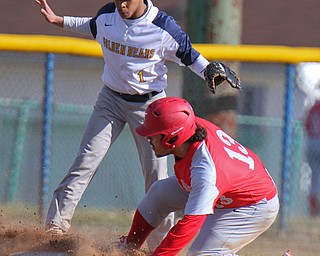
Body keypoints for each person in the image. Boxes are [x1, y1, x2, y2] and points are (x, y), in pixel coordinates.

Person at [35, 0, 241, 249]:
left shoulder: (162, 26)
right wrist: (57, 20)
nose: (121, 3)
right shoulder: (108, 15)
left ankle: (157, 245)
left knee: (157, 179)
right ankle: (55, 228)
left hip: (150, 107)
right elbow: (91, 26)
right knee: (85, 161)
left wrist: (208, 70)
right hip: (109, 100)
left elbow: (189, 55)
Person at [120, 97, 279, 255]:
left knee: (201, 254)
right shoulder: (186, 128)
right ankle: (128, 248)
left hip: (252, 205)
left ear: (172, 138)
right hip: (226, 188)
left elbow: (190, 224)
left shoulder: (205, 170)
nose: (148, 138)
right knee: (158, 193)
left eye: (153, 134)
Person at [305, 100, 320, 216]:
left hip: (312, 142)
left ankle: (313, 210)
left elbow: (307, 125)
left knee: (314, 177)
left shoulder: (314, 106)